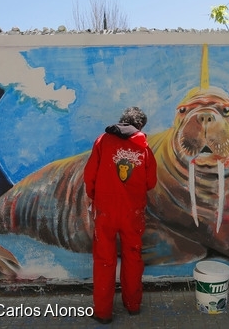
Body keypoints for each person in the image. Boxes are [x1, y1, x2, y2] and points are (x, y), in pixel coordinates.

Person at [83, 106, 158, 324]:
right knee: (132, 257)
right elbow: (150, 182)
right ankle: (133, 305)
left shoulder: (102, 141)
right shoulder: (144, 148)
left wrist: (94, 196)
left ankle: (103, 312)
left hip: (105, 211)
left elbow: (90, 176)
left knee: (104, 260)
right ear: (140, 127)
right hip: (132, 213)